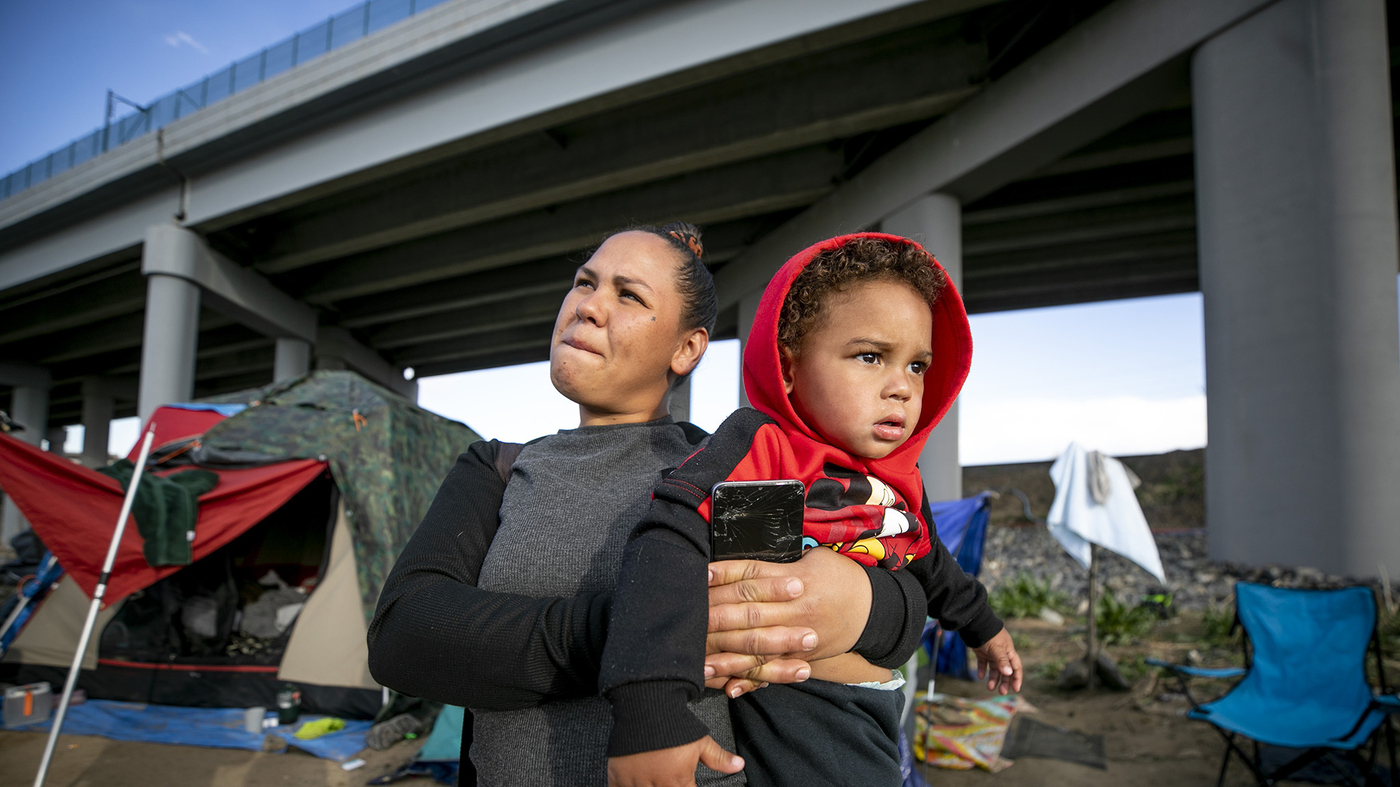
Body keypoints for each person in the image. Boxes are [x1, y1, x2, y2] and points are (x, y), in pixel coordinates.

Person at [367, 223, 934, 786]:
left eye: (628, 295)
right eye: (585, 283)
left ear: (687, 349)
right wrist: (656, 632)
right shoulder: (498, 468)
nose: (588, 307)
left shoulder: (726, 469)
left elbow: (872, 585)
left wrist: (859, 602)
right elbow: (403, 637)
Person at [599, 233, 1024, 787]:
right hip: (800, 711)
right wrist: (648, 711)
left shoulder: (898, 478)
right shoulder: (770, 451)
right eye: (870, 357)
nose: (900, 387)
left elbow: (932, 564)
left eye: (917, 366)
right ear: (790, 367)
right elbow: (670, 543)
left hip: (878, 709)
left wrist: (985, 629)